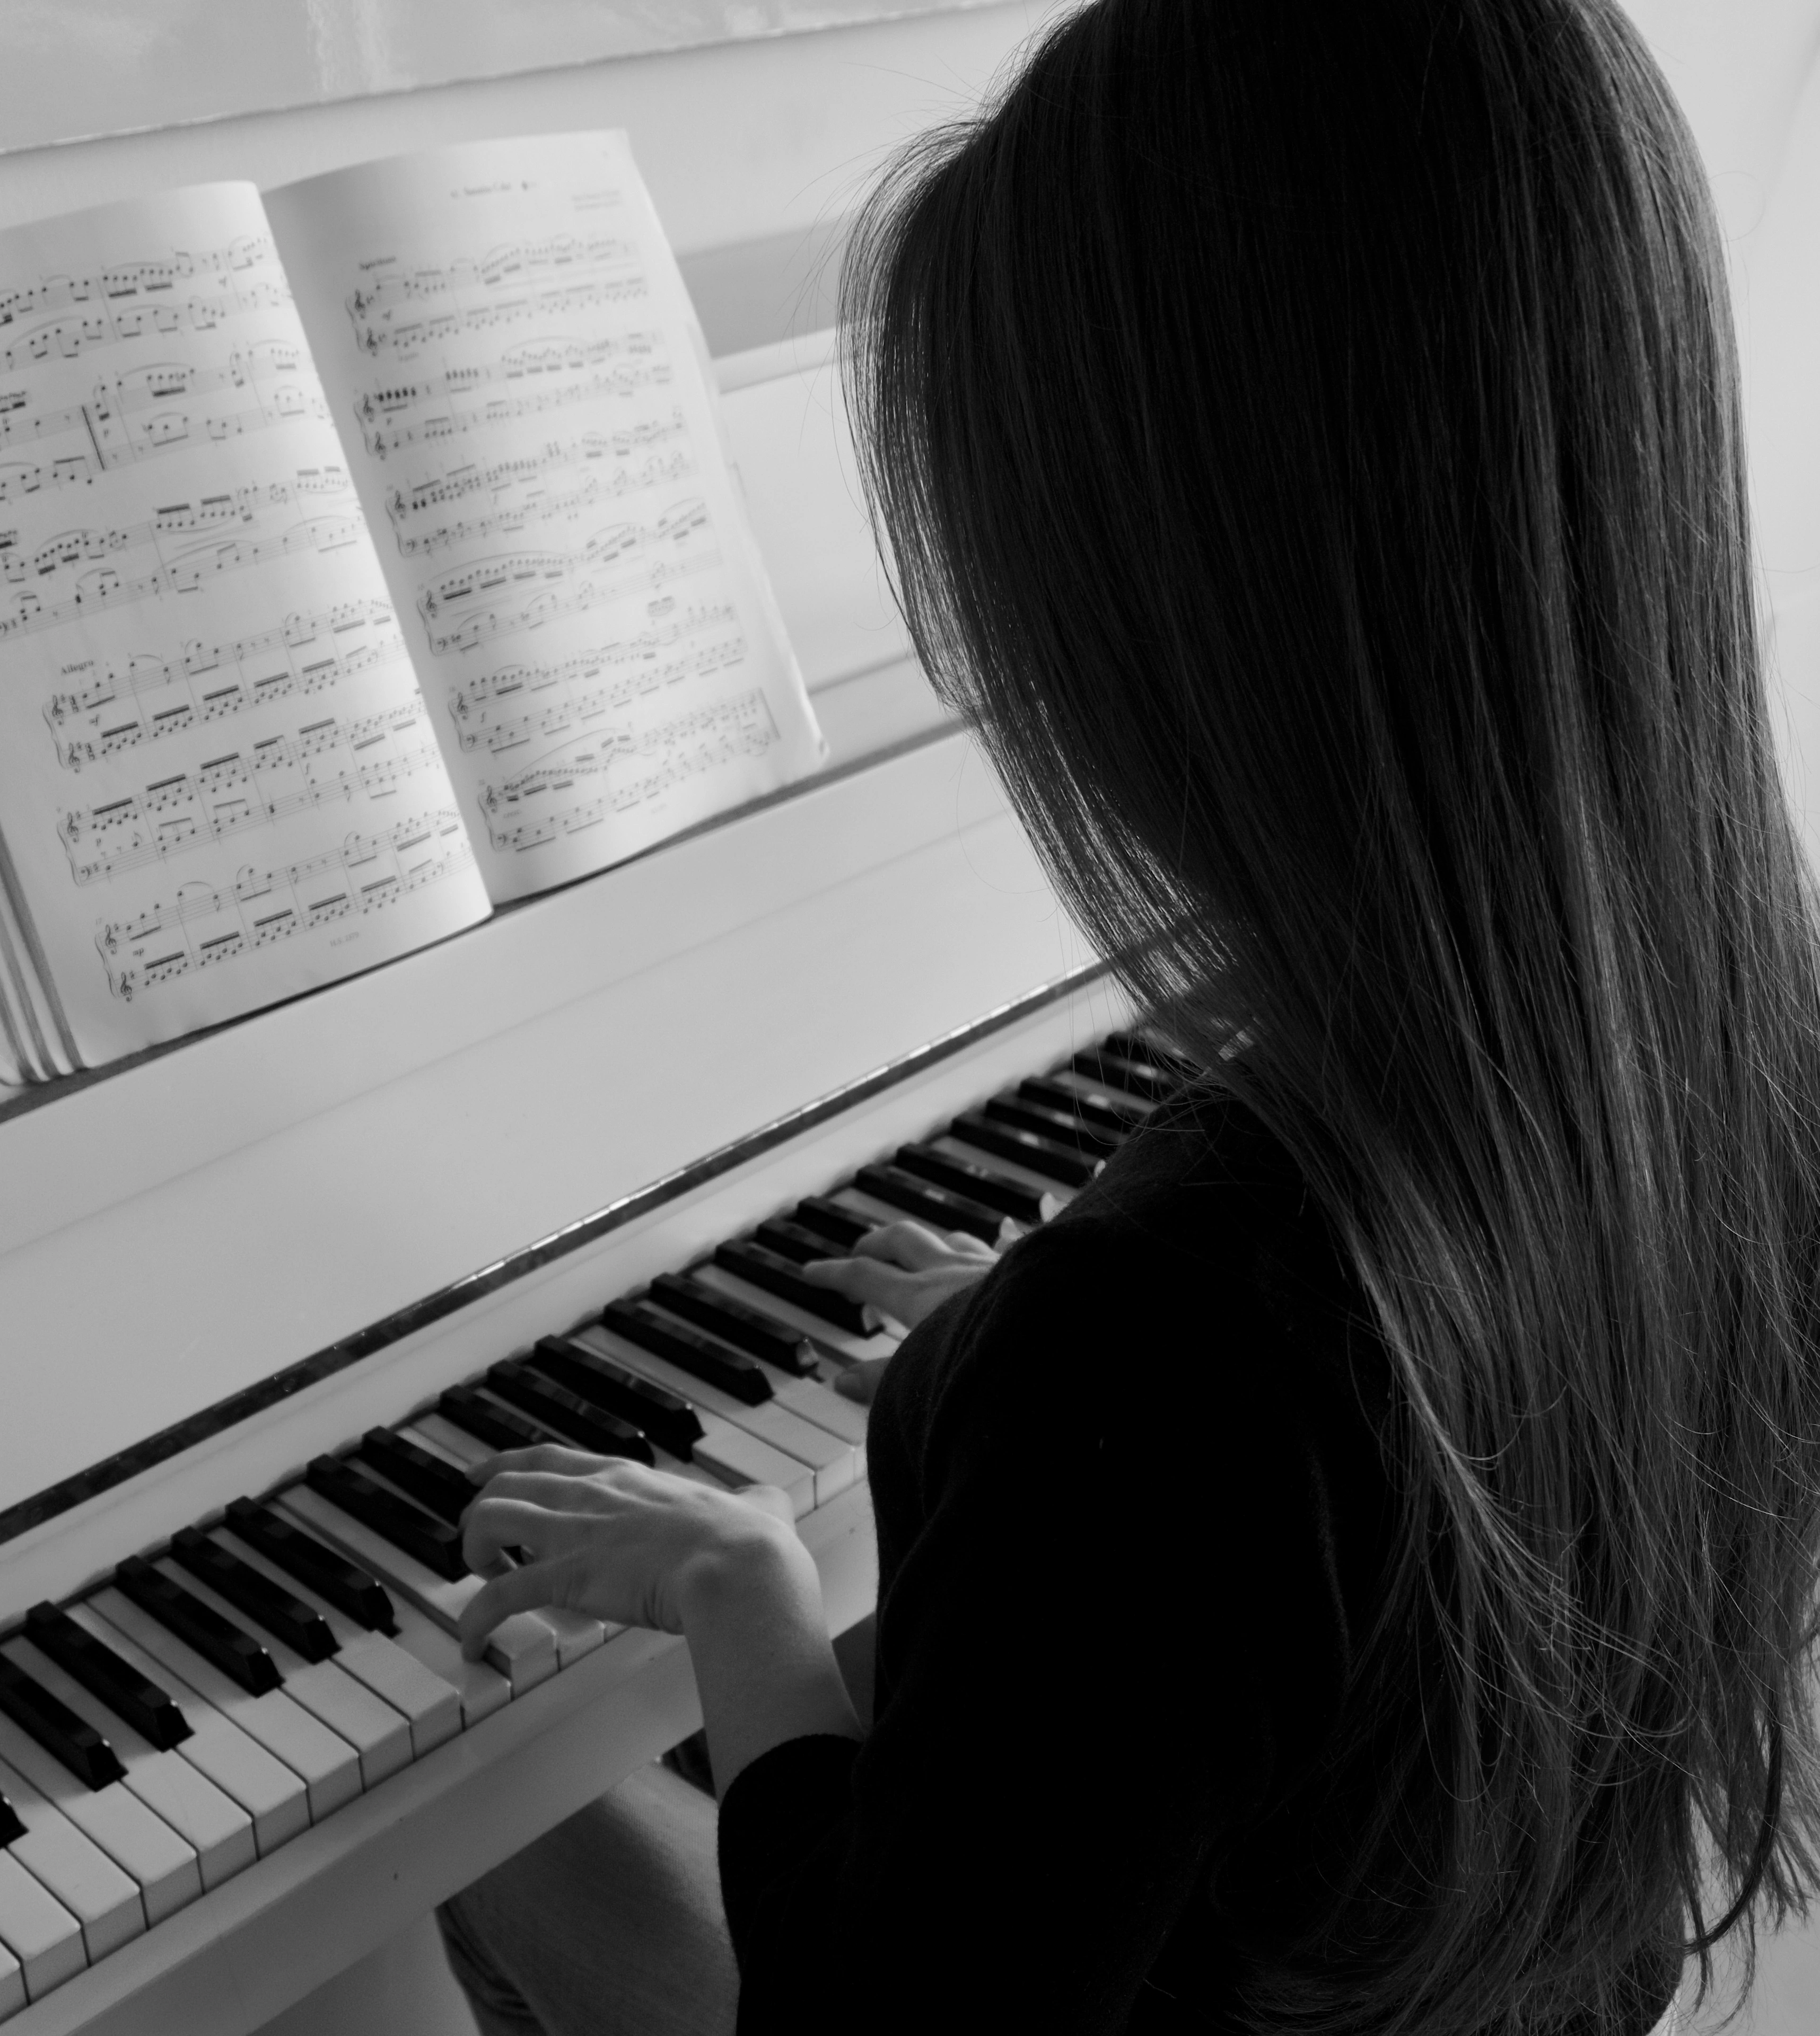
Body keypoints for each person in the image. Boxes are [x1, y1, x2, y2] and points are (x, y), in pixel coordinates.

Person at [433, 1, 1820, 2030]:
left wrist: (751, 1600)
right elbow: (1309, 1529)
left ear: (1174, 609)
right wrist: (1027, 1420)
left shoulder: (1169, 1356)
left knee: (476, 1824)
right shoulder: (1720, 1037)